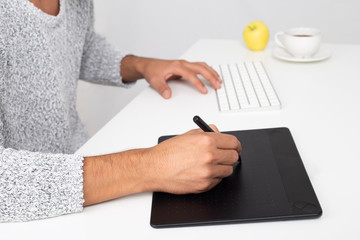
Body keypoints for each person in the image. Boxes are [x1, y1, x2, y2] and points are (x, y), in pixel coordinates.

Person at [0, 0, 241, 222]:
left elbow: (79, 46)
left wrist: (141, 65)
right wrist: (149, 166)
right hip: (25, 215)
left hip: (80, 166)